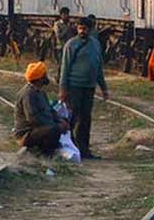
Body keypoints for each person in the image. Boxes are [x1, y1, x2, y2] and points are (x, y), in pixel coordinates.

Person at [59, 15, 109, 160]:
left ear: (90, 29)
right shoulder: (71, 45)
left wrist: (104, 88)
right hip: (74, 87)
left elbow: (98, 68)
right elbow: (65, 69)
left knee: (86, 119)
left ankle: (85, 150)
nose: (82, 31)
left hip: (89, 87)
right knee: (73, 118)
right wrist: (63, 90)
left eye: (85, 29)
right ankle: (71, 148)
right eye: (80, 28)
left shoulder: (95, 45)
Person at [14, 61, 69, 156]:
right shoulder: (28, 94)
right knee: (54, 129)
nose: (46, 77)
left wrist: (60, 121)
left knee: (63, 123)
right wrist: (55, 125)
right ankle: (47, 154)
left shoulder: (40, 92)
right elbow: (33, 119)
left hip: (39, 129)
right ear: (39, 78)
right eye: (44, 75)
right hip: (27, 134)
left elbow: (51, 111)